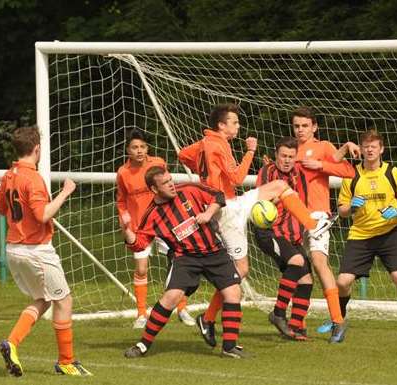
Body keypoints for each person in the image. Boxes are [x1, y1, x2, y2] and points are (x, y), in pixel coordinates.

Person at [179, 103, 336, 348]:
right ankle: (312, 224)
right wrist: (250, 152)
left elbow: (182, 155)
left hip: (226, 206)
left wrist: (204, 163)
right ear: (221, 126)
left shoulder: (206, 143)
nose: (238, 126)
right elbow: (238, 178)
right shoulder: (219, 144)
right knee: (239, 271)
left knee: (240, 269)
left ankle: (208, 319)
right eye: (234, 122)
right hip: (227, 208)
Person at [121, 166, 246, 358]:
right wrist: (127, 230)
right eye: (165, 183)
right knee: (172, 297)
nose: (171, 184)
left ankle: (229, 346)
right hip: (185, 257)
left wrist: (208, 213)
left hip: (214, 252)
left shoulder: (188, 189)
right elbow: (139, 245)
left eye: (170, 179)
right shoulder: (152, 214)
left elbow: (219, 196)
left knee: (233, 292)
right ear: (154, 189)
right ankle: (143, 344)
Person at [0, 125, 92, 377]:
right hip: (35, 249)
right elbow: (42, 215)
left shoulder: (8, 175)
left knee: (44, 299)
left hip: (13, 247)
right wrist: (65, 192)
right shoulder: (32, 178)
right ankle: (66, 361)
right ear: (37, 149)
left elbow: (1, 209)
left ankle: (12, 343)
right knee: (64, 300)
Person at [255, 136, 355, 341]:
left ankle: (296, 327)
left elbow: (348, 171)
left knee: (306, 281)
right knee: (298, 261)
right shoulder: (266, 172)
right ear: (276, 155)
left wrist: (337, 153)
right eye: (283, 156)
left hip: (292, 235)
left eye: (291, 156)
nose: (287, 160)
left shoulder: (302, 170)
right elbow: (264, 198)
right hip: (270, 232)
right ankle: (278, 313)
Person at [336, 129, 397, 339]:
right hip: (361, 234)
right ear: (361, 148)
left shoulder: (393, 173)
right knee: (342, 282)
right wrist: (350, 207)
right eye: (366, 146)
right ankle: (338, 319)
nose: (369, 150)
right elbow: (341, 211)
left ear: (381, 149)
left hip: (389, 233)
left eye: (373, 146)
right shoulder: (352, 175)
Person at [291, 106, 359, 343]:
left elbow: (348, 170)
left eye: (305, 126)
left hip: (317, 216)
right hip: (292, 216)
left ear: (314, 127)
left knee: (320, 264)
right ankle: (297, 324)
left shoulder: (323, 147)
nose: (300, 130)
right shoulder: (289, 150)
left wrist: (321, 166)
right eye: (297, 126)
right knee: (296, 268)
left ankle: (338, 321)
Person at [116, 129, 194, 329]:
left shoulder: (158, 164)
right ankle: (142, 314)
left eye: (142, 146)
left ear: (147, 148)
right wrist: (123, 217)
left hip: (163, 223)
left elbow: (169, 191)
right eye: (134, 147)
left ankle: (182, 309)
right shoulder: (123, 173)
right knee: (141, 268)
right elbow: (122, 200)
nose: (139, 150)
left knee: (178, 263)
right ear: (127, 150)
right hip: (140, 227)